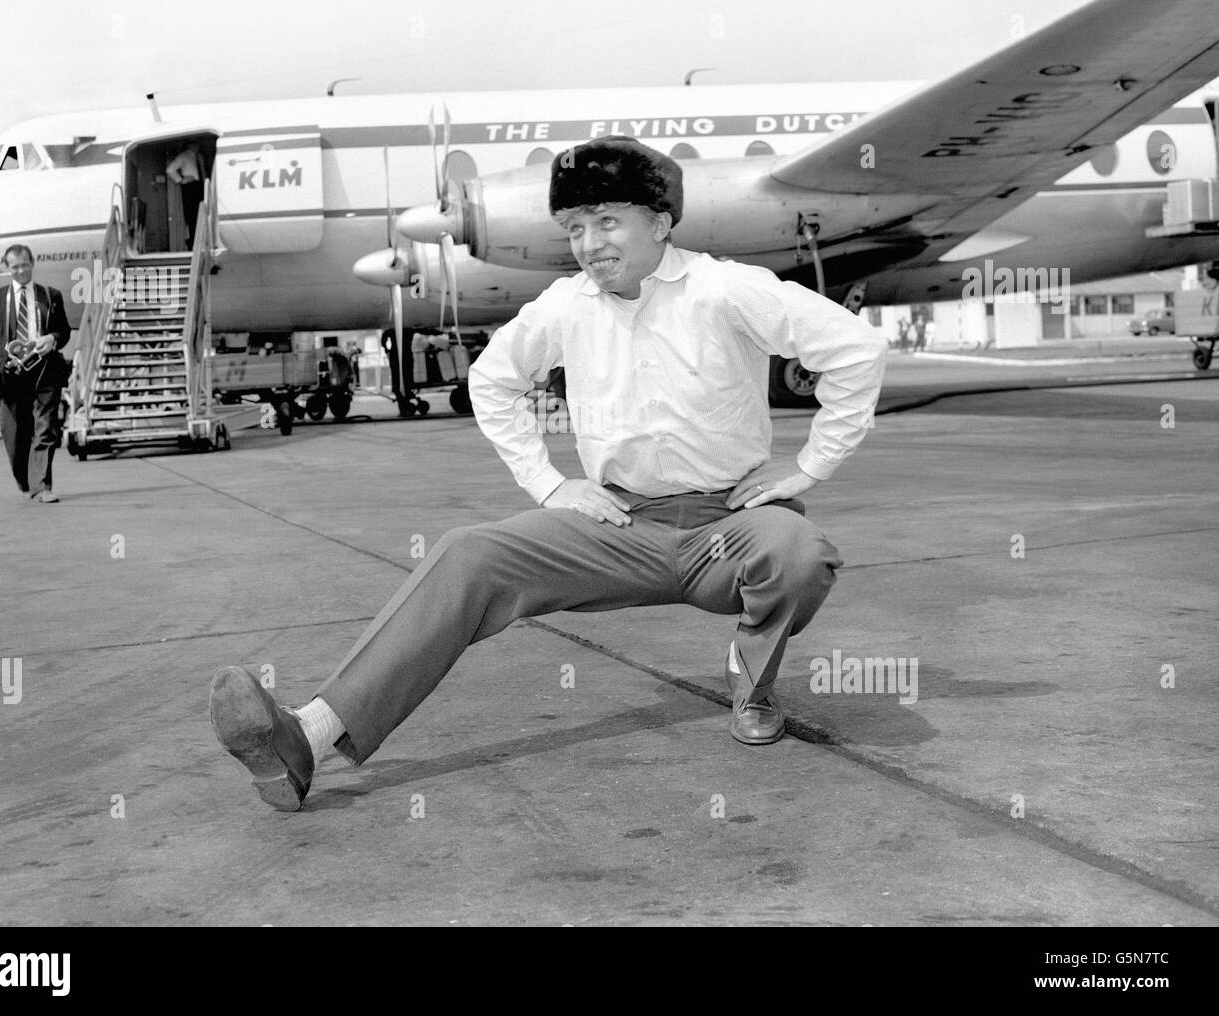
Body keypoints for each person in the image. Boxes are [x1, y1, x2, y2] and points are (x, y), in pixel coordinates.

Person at [209, 135, 887, 812]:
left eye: (607, 221)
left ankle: (754, 685)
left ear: (660, 221)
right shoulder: (567, 305)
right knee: (468, 554)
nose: (590, 243)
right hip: (620, 525)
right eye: (575, 228)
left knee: (800, 554)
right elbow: (492, 382)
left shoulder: (727, 289)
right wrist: (553, 486)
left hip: (729, 529)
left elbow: (855, 351)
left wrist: (808, 466)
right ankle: (310, 734)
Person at [0, 244, 72, 502]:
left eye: (24, 264)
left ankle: (42, 486)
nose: (20, 270)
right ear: (7, 269)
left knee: (45, 428)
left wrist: (52, 338)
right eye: (14, 266)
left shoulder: (50, 295)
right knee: (15, 435)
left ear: (33, 263)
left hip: (44, 372)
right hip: (11, 375)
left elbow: (63, 331)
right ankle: (26, 480)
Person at [166, 141, 205, 249]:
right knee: (192, 215)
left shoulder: (198, 157)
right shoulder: (184, 156)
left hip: (199, 186)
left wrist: (202, 164)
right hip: (190, 186)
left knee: (201, 214)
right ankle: (192, 243)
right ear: (190, 144)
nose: (197, 145)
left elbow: (203, 175)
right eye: (195, 143)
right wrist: (181, 180)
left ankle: (200, 242)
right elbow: (170, 170)